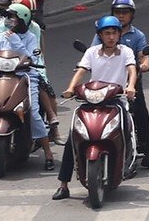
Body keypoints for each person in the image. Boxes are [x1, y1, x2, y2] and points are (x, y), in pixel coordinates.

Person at [51, 15, 138, 200]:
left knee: (126, 131)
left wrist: (130, 86)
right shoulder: (91, 52)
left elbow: (132, 70)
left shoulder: (126, 52)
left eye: (114, 33)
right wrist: (69, 88)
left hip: (115, 101)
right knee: (72, 139)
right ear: (100, 35)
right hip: (92, 100)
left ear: (119, 34)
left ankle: (127, 164)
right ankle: (63, 185)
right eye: (107, 33)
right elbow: (81, 72)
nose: (111, 37)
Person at [0, 3, 54, 169]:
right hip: (1, 76)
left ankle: (48, 154)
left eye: (13, 17)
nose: (9, 21)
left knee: (33, 113)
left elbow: (32, 58)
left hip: (25, 77)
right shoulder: (1, 36)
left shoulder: (30, 38)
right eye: (8, 17)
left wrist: (15, 40)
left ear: (22, 20)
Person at [108, 0, 149, 171]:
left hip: (131, 81)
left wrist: (144, 65)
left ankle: (147, 154)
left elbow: (144, 55)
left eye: (125, 13)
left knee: (141, 114)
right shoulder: (106, 32)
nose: (121, 16)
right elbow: (92, 51)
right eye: (117, 12)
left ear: (132, 15)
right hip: (109, 81)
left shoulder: (137, 35)